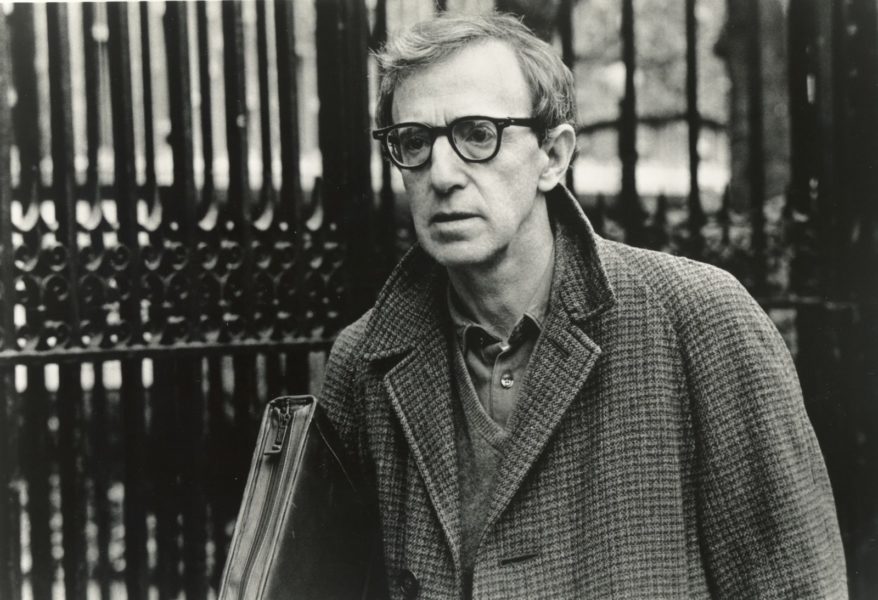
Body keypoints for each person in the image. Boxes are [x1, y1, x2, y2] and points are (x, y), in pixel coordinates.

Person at [320, 13, 846, 599]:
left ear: (553, 156)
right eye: (414, 142)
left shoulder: (704, 322)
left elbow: (795, 587)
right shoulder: (363, 363)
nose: (442, 174)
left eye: (478, 134)